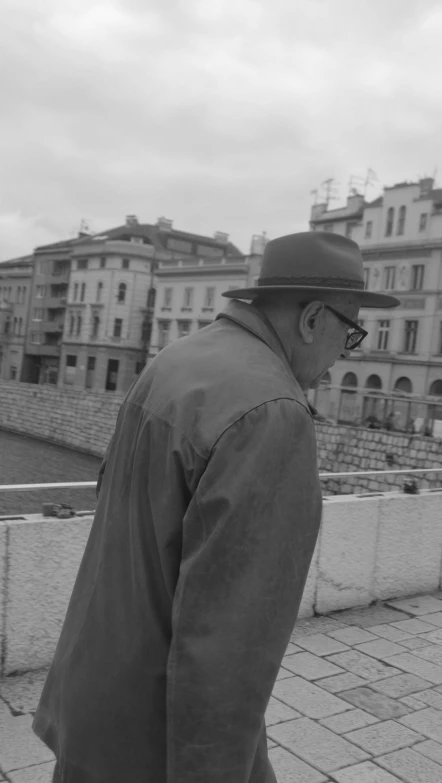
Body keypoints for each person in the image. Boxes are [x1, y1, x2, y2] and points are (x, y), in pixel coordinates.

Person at [32, 231, 400, 783]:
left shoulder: (178, 359)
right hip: (157, 739)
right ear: (312, 319)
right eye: (350, 334)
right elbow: (230, 642)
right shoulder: (272, 411)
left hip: (93, 698)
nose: (341, 360)